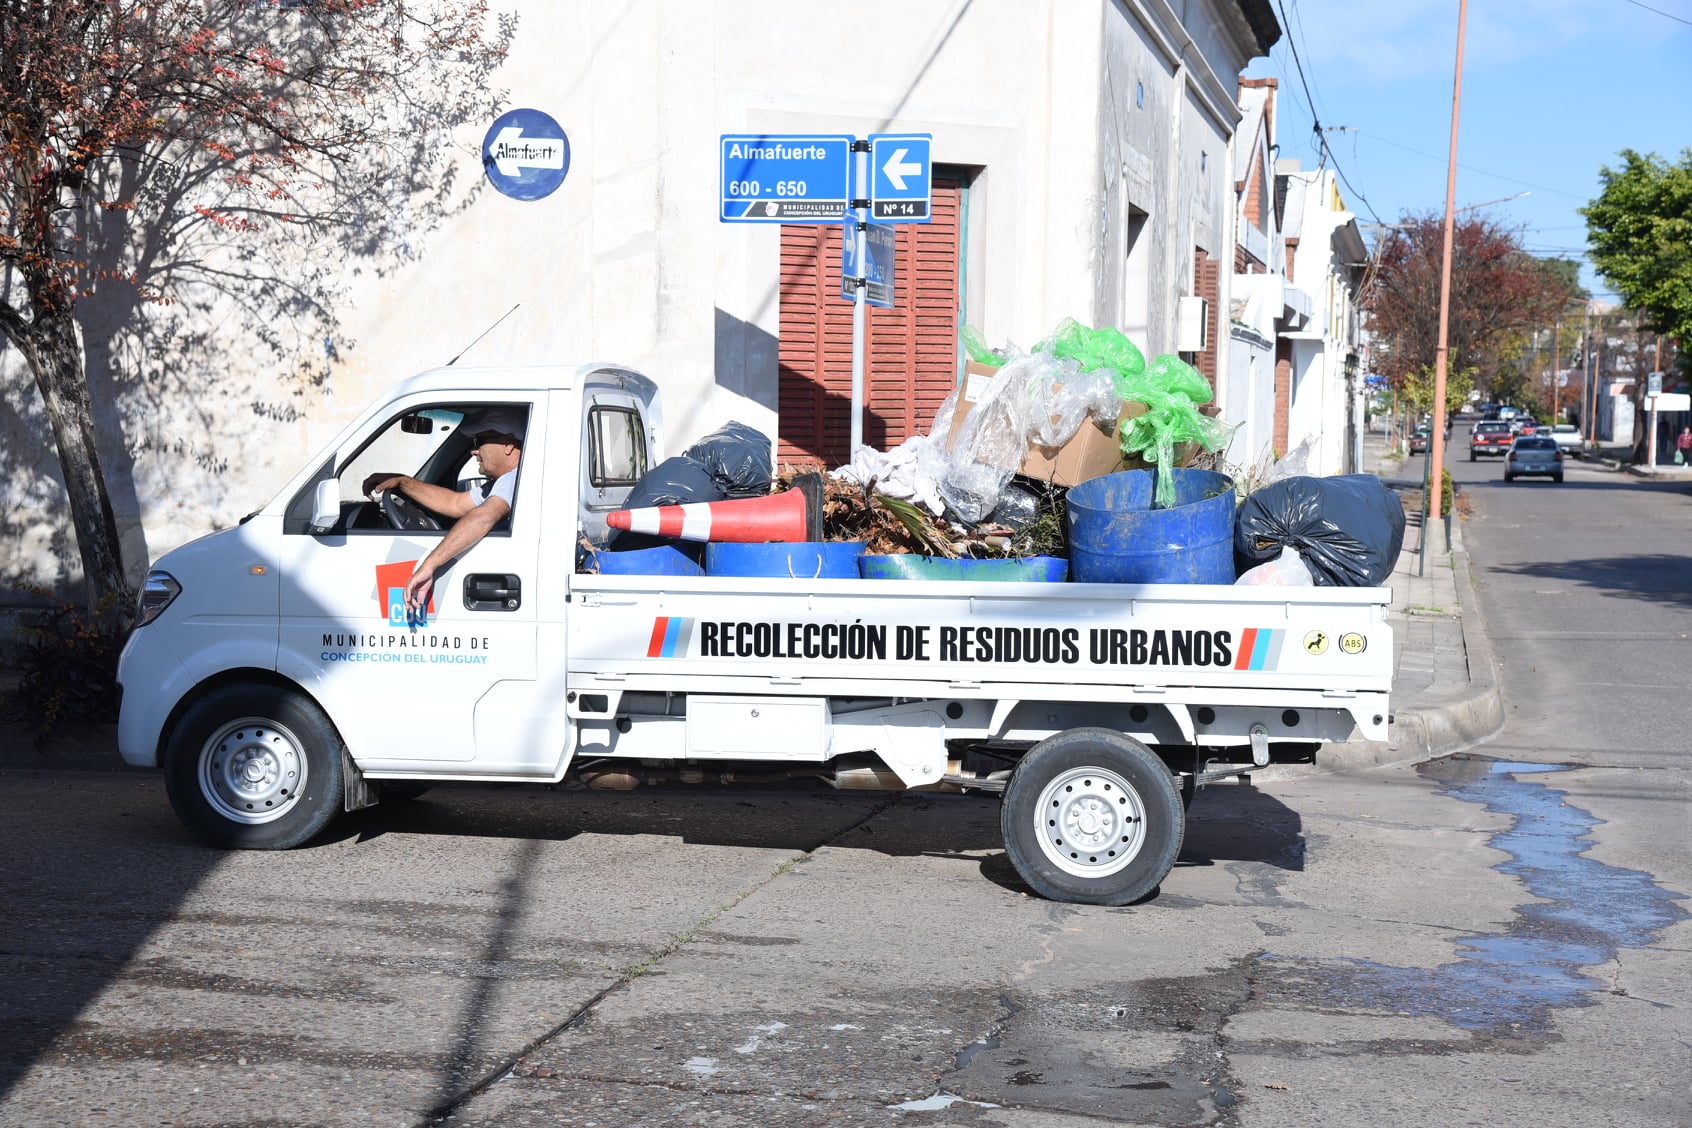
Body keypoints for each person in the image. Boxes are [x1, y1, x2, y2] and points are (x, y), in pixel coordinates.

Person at [362, 408, 525, 613]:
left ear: (508, 445)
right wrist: (402, 482)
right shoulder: (502, 483)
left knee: (388, 600)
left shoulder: (515, 479)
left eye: (479, 442)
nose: (473, 451)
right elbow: (454, 503)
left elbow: (485, 516)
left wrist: (429, 565)